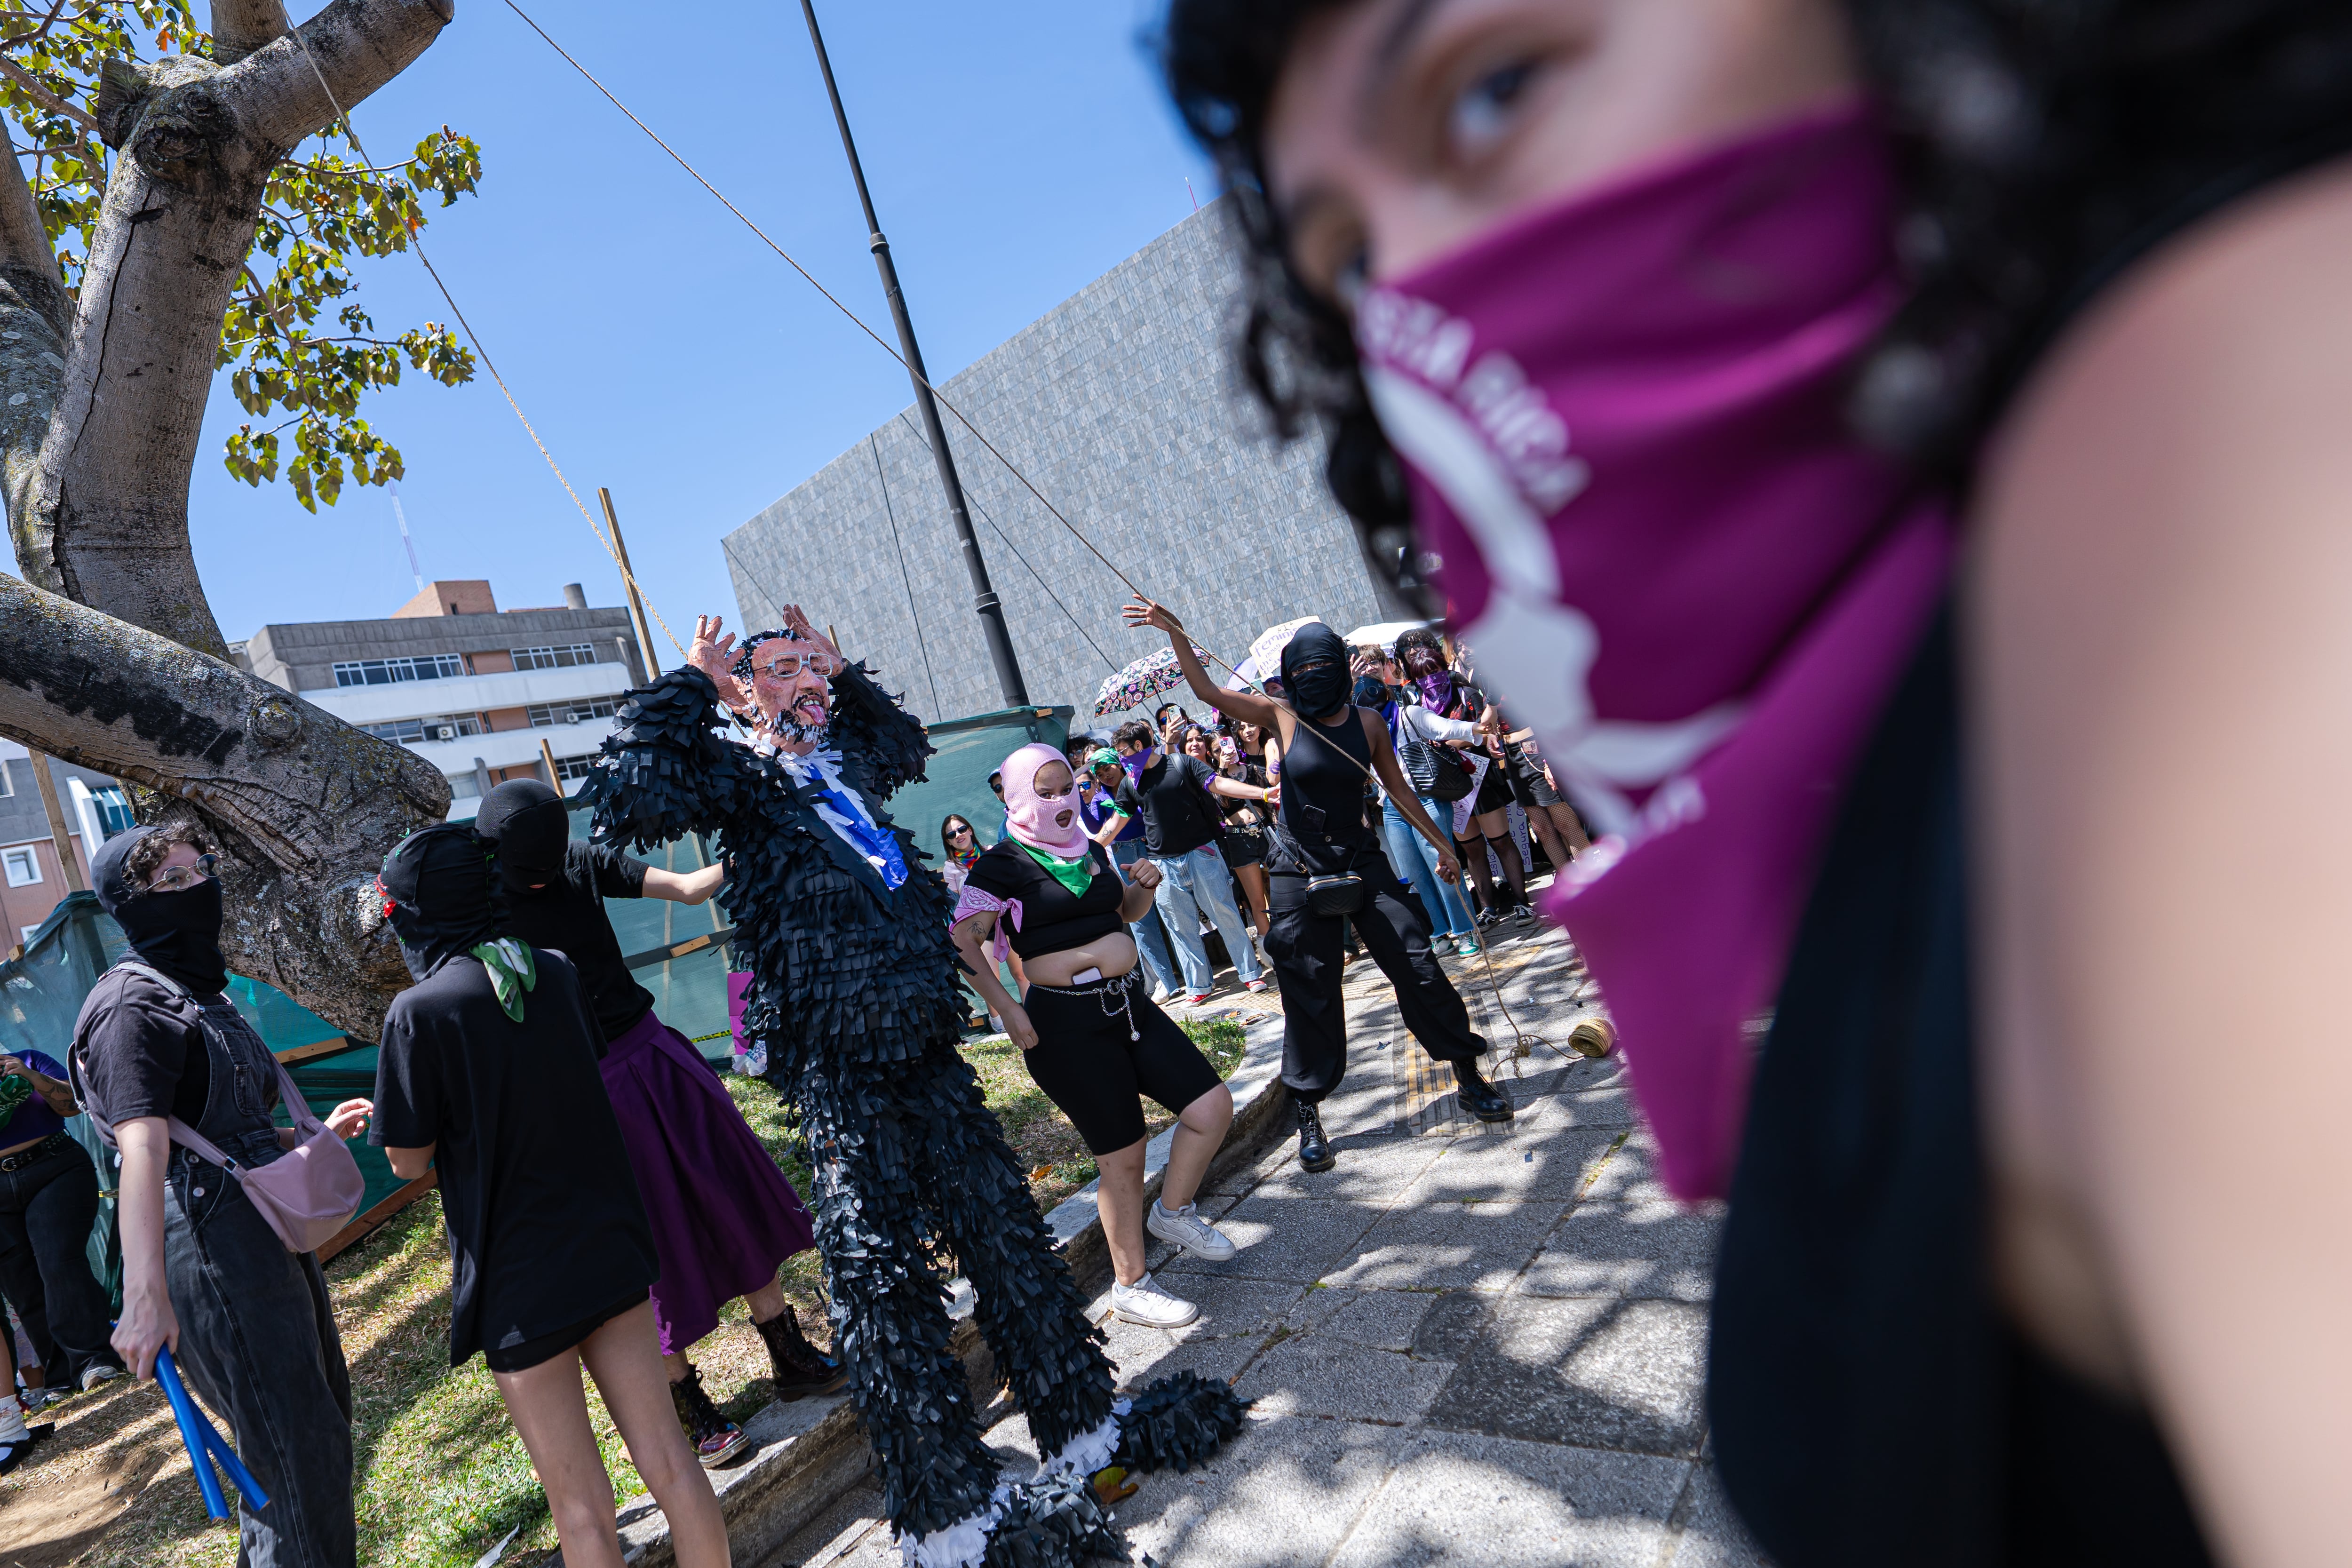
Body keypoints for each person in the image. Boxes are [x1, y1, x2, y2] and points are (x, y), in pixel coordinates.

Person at [1168, 2, 2352, 1561]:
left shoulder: (2223, 463)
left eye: (1497, 89)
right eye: (1352, 266)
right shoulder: (1967, 639)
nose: (1423, 306)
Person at [587, 610, 1245, 1566]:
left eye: (811, 666)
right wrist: (692, 685)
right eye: (780, 670)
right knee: (884, 1281)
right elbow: (628, 794)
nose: (805, 682)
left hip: (931, 1054)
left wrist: (845, 669)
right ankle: (947, 1515)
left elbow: (898, 739)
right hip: (842, 1072)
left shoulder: (847, 767)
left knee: (1006, 1239)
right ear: (744, 695)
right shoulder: (739, 780)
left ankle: (1083, 1428)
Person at [369, 824, 727, 1568]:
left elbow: (407, 1161)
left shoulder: (418, 1013)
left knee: (581, 1508)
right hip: (608, 1241)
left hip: (519, 1276)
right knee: (671, 1461)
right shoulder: (555, 970)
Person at [469, 781, 843, 1470]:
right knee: (643, 1237)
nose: (544, 871)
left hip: (651, 1053)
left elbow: (692, 888)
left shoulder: (579, 861)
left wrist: (765, 835)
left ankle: (787, 1349)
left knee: (726, 1191)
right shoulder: (478, 903)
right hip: (580, 1090)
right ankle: (690, 1404)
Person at [75, 823, 371, 1567]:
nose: (198, 888)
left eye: (199, 869)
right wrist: (145, 1297)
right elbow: (142, 1152)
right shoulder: (129, 1005)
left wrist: (301, 1139)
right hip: (206, 1236)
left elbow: (226, 1122)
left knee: (314, 1434)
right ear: (130, 904)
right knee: (293, 1452)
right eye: (172, 881)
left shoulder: (199, 994)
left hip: (254, 1225)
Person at [1128, 603, 1511, 1170]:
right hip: (1294, 863)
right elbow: (1207, 691)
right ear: (1289, 672)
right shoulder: (1279, 714)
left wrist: (1442, 845)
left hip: (1358, 856)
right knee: (1308, 983)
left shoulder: (1369, 723)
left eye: (1322, 666)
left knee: (1417, 963)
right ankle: (1307, 1107)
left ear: (1340, 665)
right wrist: (1178, 632)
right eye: (1302, 668)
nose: (1313, 676)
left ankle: (1466, 1073)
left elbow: (1399, 791)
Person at [949, 745, 1239, 1331]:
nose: (1062, 801)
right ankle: (1130, 1286)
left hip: (1128, 1005)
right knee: (1123, 1157)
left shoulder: (1088, 847)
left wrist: (1144, 887)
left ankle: (1173, 1212)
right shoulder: (1001, 864)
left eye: (1068, 788)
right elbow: (962, 939)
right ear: (1017, 797)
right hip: (1064, 1026)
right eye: (1046, 792)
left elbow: (1123, 913)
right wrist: (1007, 1008)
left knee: (1211, 1108)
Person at [1093, 718, 1272, 1006]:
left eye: (1123, 752)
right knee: (1180, 929)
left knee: (1226, 915)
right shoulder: (1130, 783)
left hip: (1202, 854)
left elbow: (1219, 784)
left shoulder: (1181, 763)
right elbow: (1116, 822)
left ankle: (1251, 974)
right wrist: (1089, 848)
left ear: (1139, 745)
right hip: (1162, 866)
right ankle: (1199, 986)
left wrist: (1262, 793)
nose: (1121, 759)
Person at [0, 1040, 123, 1399]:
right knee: (20, 1283)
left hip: (55, 1167)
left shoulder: (27, 1059)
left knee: (59, 1261)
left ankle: (94, 1359)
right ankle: (61, 1377)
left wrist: (30, 1076)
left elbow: (73, 1105)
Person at [1358, 670, 1483, 957]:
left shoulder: (1409, 714)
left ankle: (1466, 930)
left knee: (1442, 866)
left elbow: (1446, 727)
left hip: (1425, 798)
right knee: (1413, 874)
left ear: (1387, 694)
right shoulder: (1363, 728)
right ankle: (1437, 933)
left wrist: (1478, 728)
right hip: (1392, 807)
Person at [1082, 748, 1185, 1002]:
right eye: (1099, 773)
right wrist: (1081, 799)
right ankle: (1166, 981)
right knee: (1142, 923)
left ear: (1119, 764)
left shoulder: (1137, 784)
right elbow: (1095, 828)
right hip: (1123, 855)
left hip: (1151, 849)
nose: (1106, 775)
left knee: (1171, 910)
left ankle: (1191, 974)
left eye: (1108, 768)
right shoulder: (1099, 797)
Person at [1210, 732, 1275, 940]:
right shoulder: (1215, 779)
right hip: (1239, 839)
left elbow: (1269, 804)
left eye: (1226, 746)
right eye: (1217, 750)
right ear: (1212, 755)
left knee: (1280, 893)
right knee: (1257, 902)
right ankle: (1270, 950)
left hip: (1264, 832)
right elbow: (1222, 803)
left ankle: (1292, 940)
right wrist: (1222, 769)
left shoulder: (1252, 770)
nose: (1224, 752)